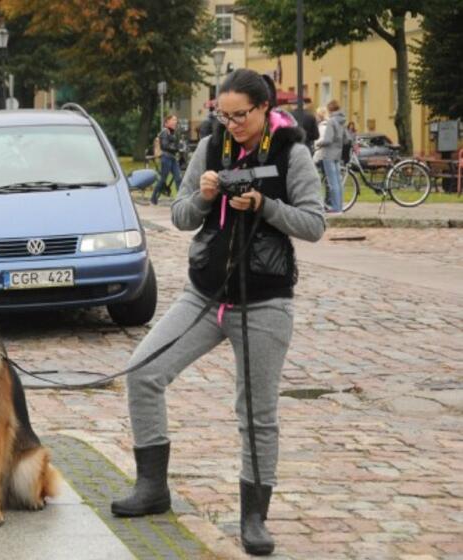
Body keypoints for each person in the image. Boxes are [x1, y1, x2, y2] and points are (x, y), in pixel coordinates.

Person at [110, 69, 325, 557]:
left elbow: (314, 224)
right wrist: (206, 196)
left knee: (256, 412)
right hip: (204, 295)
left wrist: (265, 205)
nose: (230, 124)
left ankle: (254, 517)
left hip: (266, 301)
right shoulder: (210, 149)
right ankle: (152, 488)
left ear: (263, 108)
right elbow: (181, 216)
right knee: (143, 370)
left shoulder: (291, 152)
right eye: (222, 115)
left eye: (239, 115)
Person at [314, 102, 344, 213]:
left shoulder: (332, 121)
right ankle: (340, 206)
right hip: (337, 153)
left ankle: (336, 207)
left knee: (332, 183)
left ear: (330, 110)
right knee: (338, 181)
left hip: (329, 154)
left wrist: (318, 143)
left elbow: (328, 139)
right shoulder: (341, 121)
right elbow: (345, 138)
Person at [150, 115, 184, 205]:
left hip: (173, 158)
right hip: (166, 158)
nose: (175, 122)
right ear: (167, 122)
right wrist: (177, 149)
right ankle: (153, 197)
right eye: (173, 120)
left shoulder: (173, 132)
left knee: (178, 178)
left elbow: (176, 144)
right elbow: (165, 146)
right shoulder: (164, 132)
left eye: (176, 120)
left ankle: (181, 198)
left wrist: (178, 147)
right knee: (163, 179)